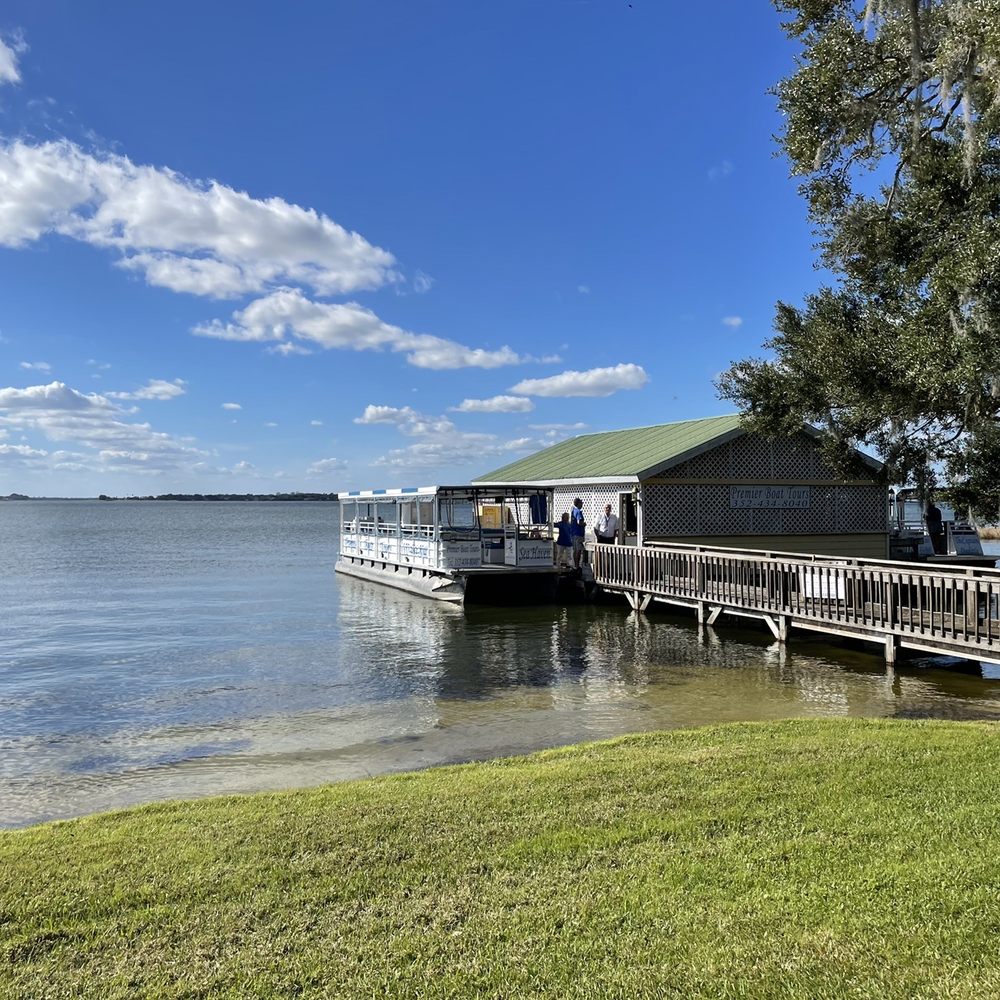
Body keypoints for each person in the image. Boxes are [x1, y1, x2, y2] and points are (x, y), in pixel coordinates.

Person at [570, 497, 586, 568]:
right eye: (581, 503)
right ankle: (577, 565)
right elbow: (579, 522)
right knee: (578, 550)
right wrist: (584, 524)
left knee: (575, 550)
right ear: (578, 503)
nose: (582, 504)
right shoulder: (578, 512)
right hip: (578, 534)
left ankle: (575, 565)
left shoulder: (573, 511)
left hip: (573, 533)